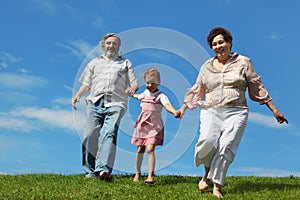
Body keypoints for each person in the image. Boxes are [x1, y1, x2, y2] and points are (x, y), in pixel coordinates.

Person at [177, 27, 288, 198]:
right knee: (207, 140)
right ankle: (206, 173)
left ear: (229, 43)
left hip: (236, 111)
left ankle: (217, 186)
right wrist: (183, 109)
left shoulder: (243, 62)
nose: (218, 46)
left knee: (226, 146)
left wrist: (274, 109)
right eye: (214, 44)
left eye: (221, 42)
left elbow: (256, 87)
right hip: (211, 109)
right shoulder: (206, 66)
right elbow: (197, 89)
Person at [72, 33, 138, 180]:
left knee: (110, 133)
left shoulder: (125, 63)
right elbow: (86, 84)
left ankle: (103, 169)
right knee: (89, 135)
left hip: (116, 103)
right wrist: (78, 95)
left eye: (114, 44)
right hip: (95, 102)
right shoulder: (94, 63)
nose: (111, 46)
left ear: (118, 46)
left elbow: (134, 82)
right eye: (108, 43)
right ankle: (89, 171)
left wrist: (132, 88)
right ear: (103, 45)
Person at [129, 68, 179, 183]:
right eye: (147, 83)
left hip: (154, 125)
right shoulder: (145, 93)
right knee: (140, 149)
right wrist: (131, 94)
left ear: (158, 83)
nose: (149, 85)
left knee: (150, 149)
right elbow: (138, 96)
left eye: (152, 83)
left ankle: (150, 175)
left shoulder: (161, 95)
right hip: (142, 124)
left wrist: (175, 111)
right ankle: (137, 173)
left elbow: (167, 106)